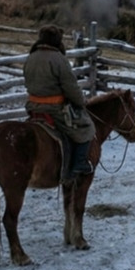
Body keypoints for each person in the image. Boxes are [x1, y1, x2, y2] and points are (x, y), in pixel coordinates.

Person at [23, 25, 95, 181]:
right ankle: (79, 163)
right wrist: (81, 102)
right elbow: (70, 87)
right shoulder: (59, 59)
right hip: (54, 109)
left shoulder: (31, 57)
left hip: (33, 107)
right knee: (86, 127)